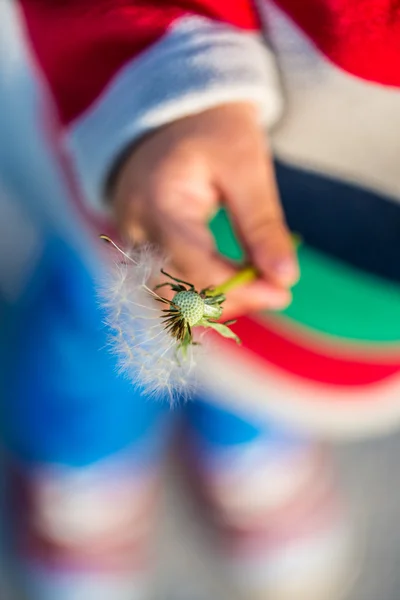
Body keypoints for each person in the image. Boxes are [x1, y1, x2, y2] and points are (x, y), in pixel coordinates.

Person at [3, 0, 400, 598]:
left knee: (253, 352)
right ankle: (82, 455)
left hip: (332, 328)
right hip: (156, 179)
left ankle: (249, 437)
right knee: (104, 318)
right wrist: (167, 89)